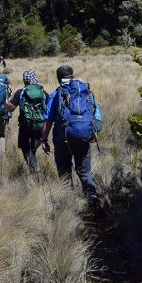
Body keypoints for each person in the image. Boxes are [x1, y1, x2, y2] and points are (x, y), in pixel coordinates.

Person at [40, 65, 101, 204]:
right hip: (84, 136)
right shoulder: (86, 91)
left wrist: (44, 139)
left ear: (58, 78)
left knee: (64, 170)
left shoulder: (56, 94)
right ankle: (92, 198)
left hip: (62, 139)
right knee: (85, 171)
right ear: (72, 75)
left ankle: (69, 203)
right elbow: (96, 113)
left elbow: (48, 119)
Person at [7, 69, 48, 172]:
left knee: (25, 147)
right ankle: (34, 164)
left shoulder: (21, 92)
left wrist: (5, 100)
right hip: (39, 126)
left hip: (25, 125)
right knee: (33, 147)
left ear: (25, 80)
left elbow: (11, 108)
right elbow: (48, 111)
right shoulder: (44, 93)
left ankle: (34, 167)